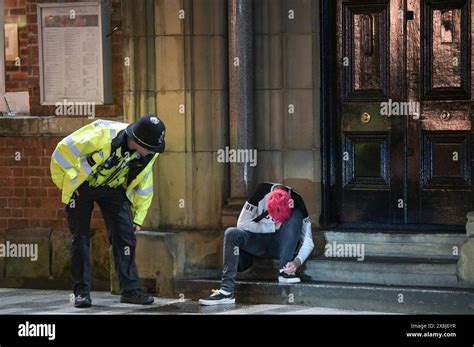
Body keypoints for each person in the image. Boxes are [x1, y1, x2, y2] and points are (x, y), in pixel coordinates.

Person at [50, 115, 166, 308]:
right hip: (83, 185)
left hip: (113, 186)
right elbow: (61, 152)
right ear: (139, 141)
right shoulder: (102, 135)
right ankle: (82, 292)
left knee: (126, 234)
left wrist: (138, 217)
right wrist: (69, 183)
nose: (153, 152)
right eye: (151, 147)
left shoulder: (147, 154)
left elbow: (144, 184)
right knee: (80, 237)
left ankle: (130, 290)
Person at [199, 182, 314, 305]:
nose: (277, 219)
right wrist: (273, 226)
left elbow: (308, 241)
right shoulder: (260, 191)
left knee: (296, 215)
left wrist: (297, 262)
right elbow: (242, 224)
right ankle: (226, 291)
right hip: (259, 241)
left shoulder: (297, 201)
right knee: (231, 232)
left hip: (282, 244)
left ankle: (285, 271)